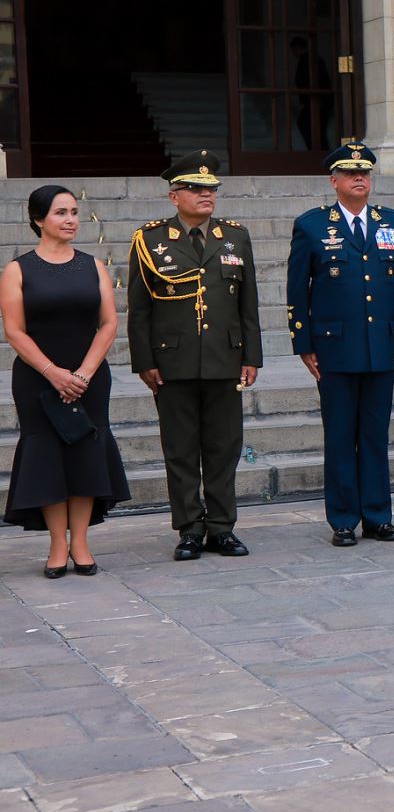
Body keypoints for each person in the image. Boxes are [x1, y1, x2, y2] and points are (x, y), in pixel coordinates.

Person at [126, 151, 261, 562]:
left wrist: (251, 356)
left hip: (225, 358)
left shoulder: (235, 236)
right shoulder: (149, 239)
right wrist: (144, 361)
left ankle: (221, 527)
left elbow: (248, 305)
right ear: (174, 196)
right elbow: (139, 308)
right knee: (181, 449)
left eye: (211, 189)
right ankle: (189, 527)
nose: (207, 195)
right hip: (173, 361)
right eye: (196, 189)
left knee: (223, 447)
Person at [287, 142, 394, 548]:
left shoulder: (393, 223)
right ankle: (343, 518)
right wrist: (304, 342)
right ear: (334, 180)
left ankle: (378, 516)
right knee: (342, 435)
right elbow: (297, 290)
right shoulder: (311, 225)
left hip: (381, 346)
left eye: (364, 172)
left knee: (375, 436)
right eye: (348, 172)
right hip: (335, 348)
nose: (358, 178)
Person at [2, 186, 130, 576]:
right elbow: (15, 331)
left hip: (89, 377)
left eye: (74, 212)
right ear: (39, 219)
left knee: (85, 456)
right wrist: (53, 373)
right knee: (48, 459)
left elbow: (108, 323)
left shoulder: (93, 265)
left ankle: (82, 542)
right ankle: (58, 544)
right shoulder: (17, 269)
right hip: (38, 378)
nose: (71, 219)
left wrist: (83, 373)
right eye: (61, 213)